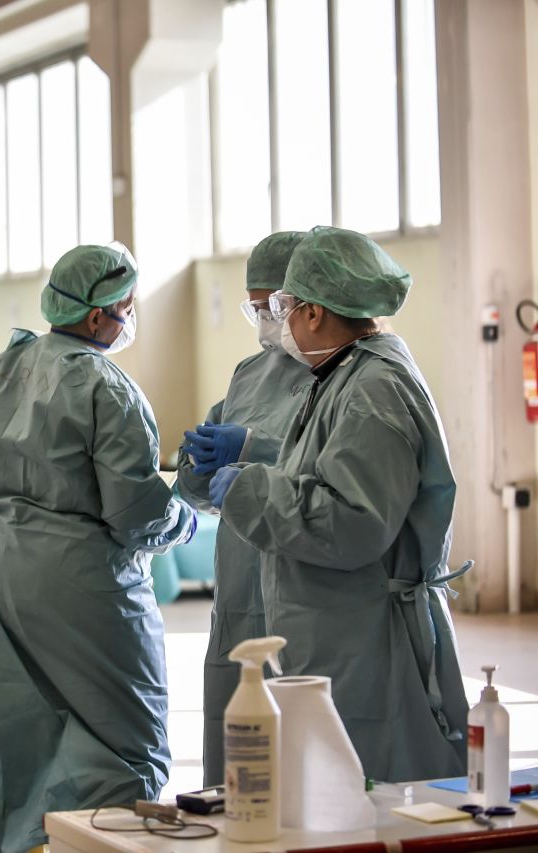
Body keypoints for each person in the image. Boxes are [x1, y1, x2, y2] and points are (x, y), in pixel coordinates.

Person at [206, 226, 470, 782]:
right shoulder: (345, 375)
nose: (279, 321)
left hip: (367, 638)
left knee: (367, 794)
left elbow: (352, 524)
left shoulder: (373, 388)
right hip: (340, 628)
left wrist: (249, 488)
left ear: (315, 313)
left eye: (284, 306)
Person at [0, 243, 197, 853]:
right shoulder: (103, 385)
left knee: (22, 727)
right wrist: (188, 515)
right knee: (124, 734)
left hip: (0, 566)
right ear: (97, 318)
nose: (129, 318)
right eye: (126, 307)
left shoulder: (3, 367)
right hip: (78, 577)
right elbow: (135, 512)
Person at [174, 232, 314, 786]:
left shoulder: (340, 374)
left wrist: (253, 449)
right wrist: (195, 466)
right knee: (236, 742)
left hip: (304, 574)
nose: (264, 318)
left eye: (274, 305)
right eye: (254, 306)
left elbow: (328, 468)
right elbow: (203, 486)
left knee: (300, 736)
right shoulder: (248, 374)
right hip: (238, 578)